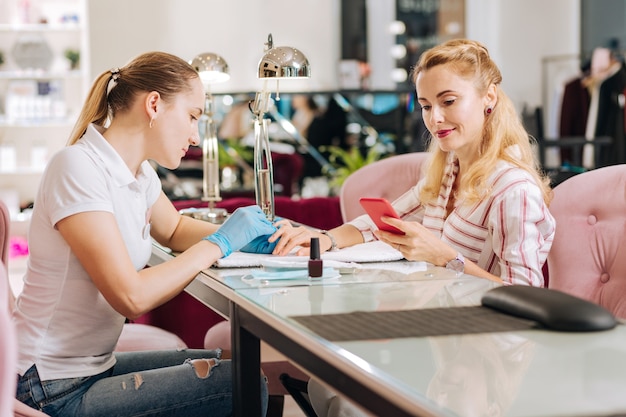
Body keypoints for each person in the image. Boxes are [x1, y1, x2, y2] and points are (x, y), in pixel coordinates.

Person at [13, 51, 275, 417]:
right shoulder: (77, 167)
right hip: (48, 385)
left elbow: (175, 228)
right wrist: (220, 243)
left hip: (87, 369)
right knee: (239, 383)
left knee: (241, 368)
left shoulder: (138, 174)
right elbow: (130, 297)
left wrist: (257, 240)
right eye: (192, 117)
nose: (195, 136)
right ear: (154, 104)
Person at [271, 38, 556, 288]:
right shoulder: (448, 172)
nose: (435, 119)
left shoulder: (513, 190)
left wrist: (445, 258)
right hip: (441, 328)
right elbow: (380, 223)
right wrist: (321, 239)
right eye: (427, 106)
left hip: (489, 341)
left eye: (449, 101)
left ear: (488, 97)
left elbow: (526, 295)